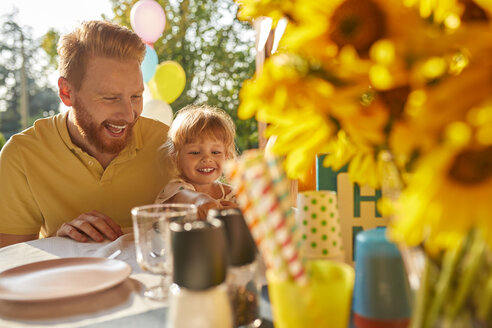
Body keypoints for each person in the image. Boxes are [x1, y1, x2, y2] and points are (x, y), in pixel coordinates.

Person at [0, 20, 175, 247]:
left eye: (136, 96)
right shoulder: (21, 155)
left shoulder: (170, 144)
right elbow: (8, 262)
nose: (129, 114)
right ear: (67, 93)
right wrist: (57, 242)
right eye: (110, 98)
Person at [155, 104, 238, 218]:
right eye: (195, 152)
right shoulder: (175, 190)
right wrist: (201, 201)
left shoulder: (232, 195)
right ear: (175, 157)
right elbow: (184, 197)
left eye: (215, 152)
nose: (207, 159)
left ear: (226, 155)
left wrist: (239, 215)